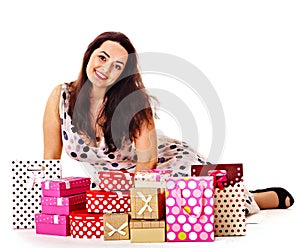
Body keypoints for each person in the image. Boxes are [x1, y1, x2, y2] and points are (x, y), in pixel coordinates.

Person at [43, 31, 294, 214]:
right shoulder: (61, 97)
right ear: (89, 55)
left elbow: (148, 162)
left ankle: (255, 199)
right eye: (102, 57)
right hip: (112, 184)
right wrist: (44, 201)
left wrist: (135, 203)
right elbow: (50, 156)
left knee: (194, 208)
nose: (105, 68)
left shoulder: (134, 103)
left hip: (161, 166)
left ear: (124, 74)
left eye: (117, 66)